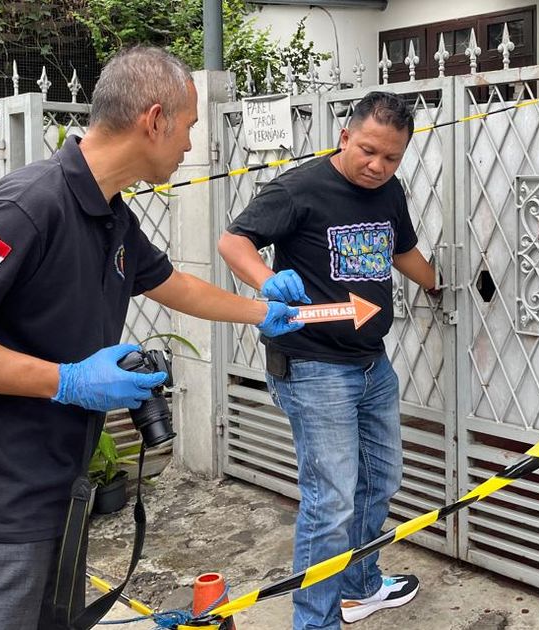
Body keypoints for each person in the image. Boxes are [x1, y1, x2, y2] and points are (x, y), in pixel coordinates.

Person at [0, 45, 302, 630]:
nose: (189, 144)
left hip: (61, 499)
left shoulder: (110, 213)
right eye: (187, 127)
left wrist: (259, 311)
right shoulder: (29, 205)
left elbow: (173, 284)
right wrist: (67, 381)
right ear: (154, 119)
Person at [217, 91, 439, 630]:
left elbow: (400, 248)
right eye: (367, 151)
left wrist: (437, 284)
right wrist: (268, 282)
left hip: (371, 364)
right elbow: (233, 242)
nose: (376, 166)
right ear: (345, 136)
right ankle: (315, 622)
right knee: (331, 501)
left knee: (380, 482)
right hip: (314, 367)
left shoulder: (389, 192)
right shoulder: (299, 187)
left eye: (391, 158)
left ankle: (360, 587)